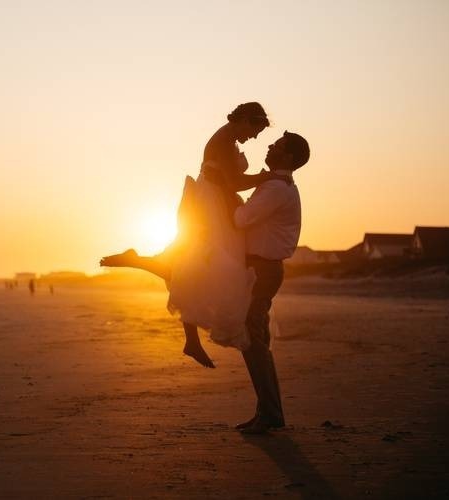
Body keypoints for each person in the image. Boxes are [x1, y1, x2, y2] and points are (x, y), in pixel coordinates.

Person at [101, 102, 278, 368]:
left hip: (213, 203)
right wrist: (266, 177)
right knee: (197, 266)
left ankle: (189, 337)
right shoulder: (222, 140)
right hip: (209, 208)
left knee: (191, 265)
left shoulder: (227, 139)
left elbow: (229, 181)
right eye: (255, 130)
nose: (253, 137)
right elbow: (234, 183)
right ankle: (190, 337)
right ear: (244, 119)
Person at [233, 130, 310, 435]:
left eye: (276, 145)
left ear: (288, 157)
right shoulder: (276, 185)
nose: (269, 146)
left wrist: (223, 198)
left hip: (263, 270)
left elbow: (241, 219)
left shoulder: (277, 188)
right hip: (261, 269)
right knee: (257, 340)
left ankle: (270, 413)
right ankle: (268, 411)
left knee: (253, 340)